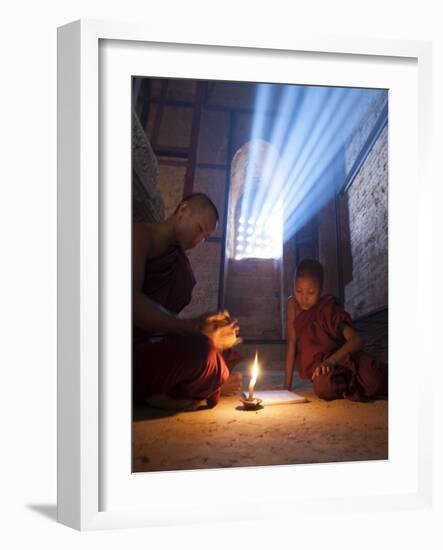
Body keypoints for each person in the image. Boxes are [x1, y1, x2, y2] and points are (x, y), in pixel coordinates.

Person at [133, 192, 242, 411]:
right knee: (201, 351)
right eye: (200, 229)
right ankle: (164, 394)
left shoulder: (181, 268)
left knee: (219, 352)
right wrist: (192, 327)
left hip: (152, 345)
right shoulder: (139, 236)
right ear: (183, 210)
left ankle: (164, 392)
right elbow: (129, 303)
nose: (199, 240)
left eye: (205, 237)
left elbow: (162, 325)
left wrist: (212, 329)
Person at [283, 259, 387, 401]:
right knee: (324, 388)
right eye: (299, 291)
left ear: (321, 290)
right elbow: (292, 343)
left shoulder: (328, 309)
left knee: (376, 379)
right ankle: (352, 383)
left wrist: (330, 361)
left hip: (344, 358)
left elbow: (356, 340)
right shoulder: (292, 305)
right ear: (293, 286)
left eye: (311, 292)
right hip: (323, 368)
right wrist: (286, 386)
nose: (304, 298)